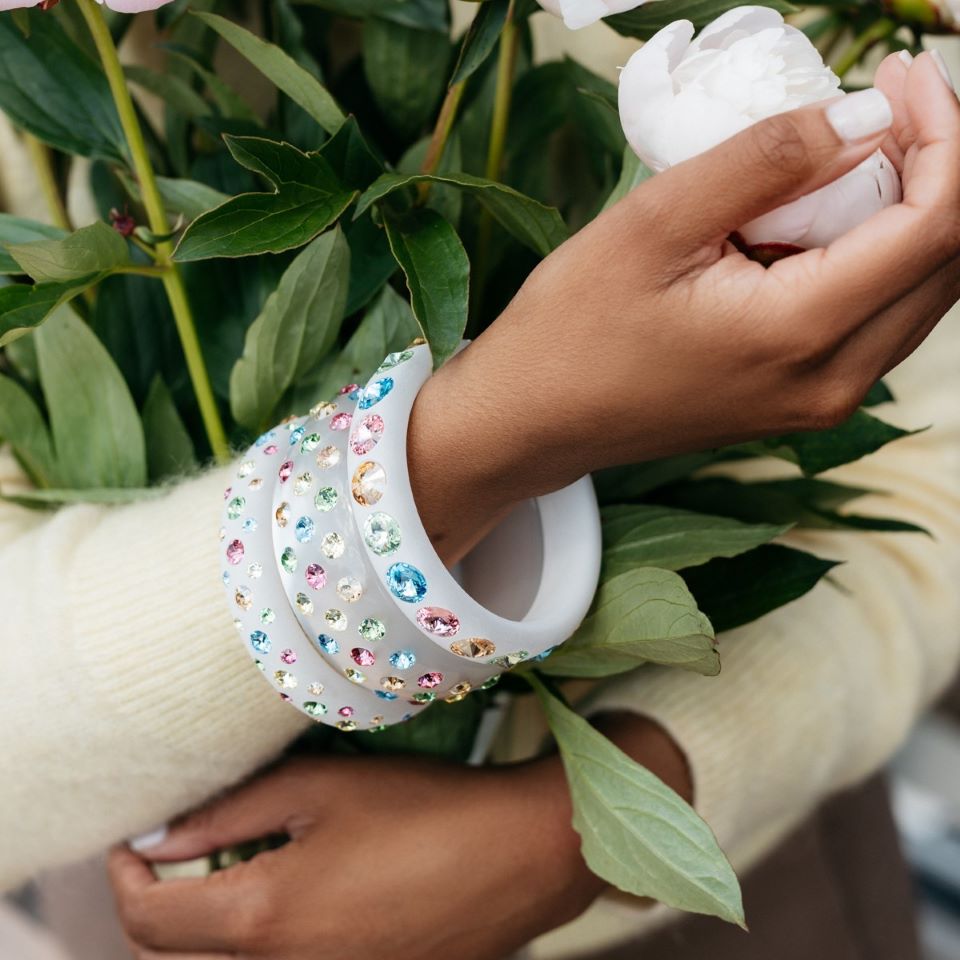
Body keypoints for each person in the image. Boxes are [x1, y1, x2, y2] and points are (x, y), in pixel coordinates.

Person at [2, 45, 960, 960]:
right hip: (172, 874)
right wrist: (480, 441)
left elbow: (938, 472)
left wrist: (586, 823)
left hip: (731, 851)